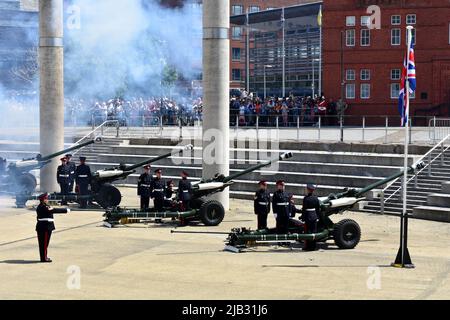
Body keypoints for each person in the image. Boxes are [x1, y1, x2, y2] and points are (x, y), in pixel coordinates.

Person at [36, 193, 69, 263]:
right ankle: (44, 258)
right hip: (45, 227)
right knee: (44, 244)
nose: (47, 200)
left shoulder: (44, 206)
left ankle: (44, 257)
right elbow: (54, 210)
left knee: (45, 244)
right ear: (43, 200)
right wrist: (65, 210)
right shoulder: (43, 207)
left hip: (45, 227)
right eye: (46, 199)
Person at [301, 184, 320, 251]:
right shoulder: (316, 198)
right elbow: (317, 208)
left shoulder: (306, 198)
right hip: (314, 216)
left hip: (308, 216)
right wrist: (317, 217)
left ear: (308, 190)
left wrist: (303, 218)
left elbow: (304, 209)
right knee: (313, 231)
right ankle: (313, 246)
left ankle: (308, 247)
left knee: (308, 232)